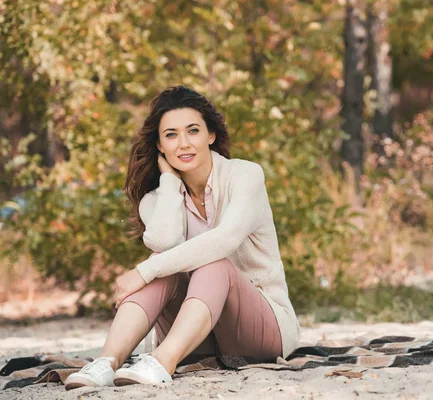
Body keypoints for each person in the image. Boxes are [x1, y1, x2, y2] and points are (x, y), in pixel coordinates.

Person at [64, 85, 300, 390]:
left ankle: (162, 362)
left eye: (193, 131)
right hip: (196, 338)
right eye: (172, 135)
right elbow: (164, 244)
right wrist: (170, 183)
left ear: (210, 135)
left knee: (209, 265)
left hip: (261, 330)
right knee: (162, 265)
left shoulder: (245, 176)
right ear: (160, 145)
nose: (184, 144)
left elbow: (224, 240)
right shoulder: (156, 199)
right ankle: (106, 363)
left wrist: (142, 272)